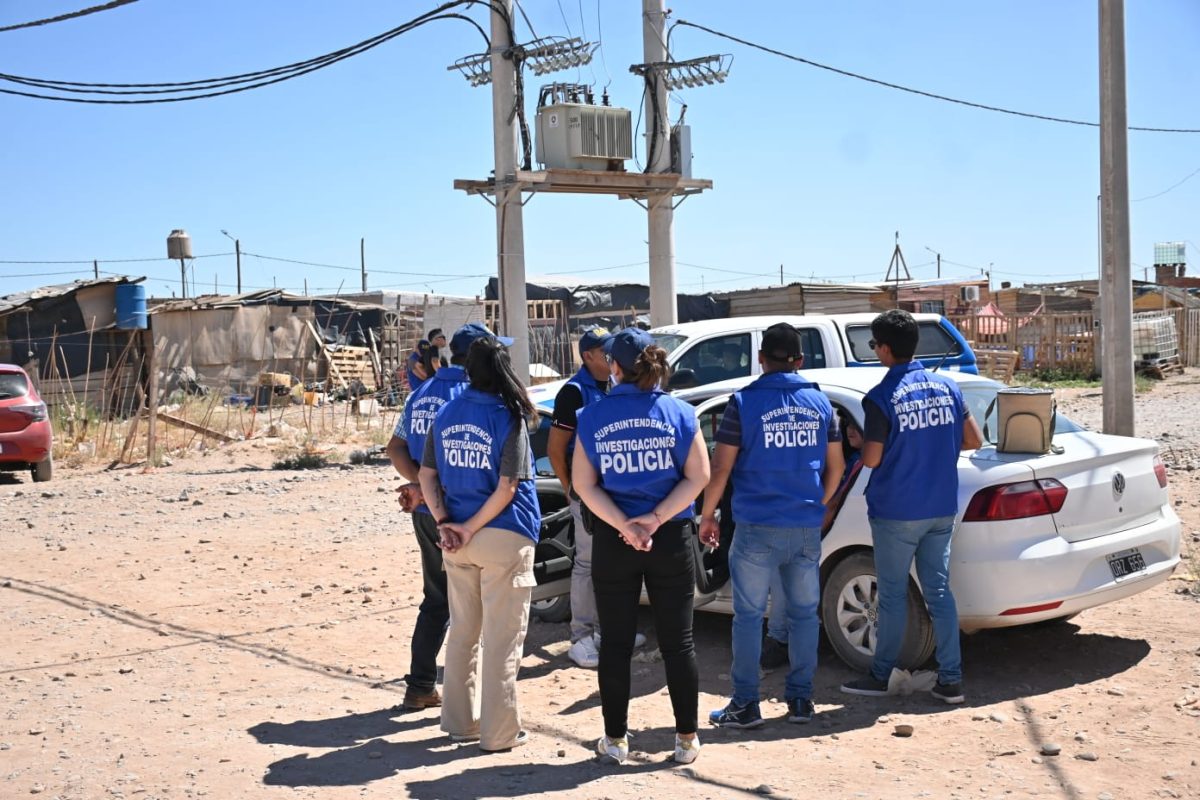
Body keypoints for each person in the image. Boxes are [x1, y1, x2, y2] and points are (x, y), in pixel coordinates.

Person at [572, 327, 711, 766]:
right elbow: (699, 476)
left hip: (615, 541)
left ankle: (615, 741)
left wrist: (626, 526)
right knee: (679, 643)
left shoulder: (593, 415)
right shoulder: (679, 412)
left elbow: (582, 484)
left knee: (613, 643)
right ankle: (686, 740)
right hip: (669, 537)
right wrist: (654, 519)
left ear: (614, 367)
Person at [701, 323, 844, 728]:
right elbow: (836, 467)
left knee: (747, 617)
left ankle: (746, 704)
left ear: (761, 358)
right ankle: (800, 701)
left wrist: (708, 514)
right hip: (804, 526)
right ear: (800, 360)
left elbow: (722, 466)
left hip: (755, 526)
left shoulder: (743, 403)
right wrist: (820, 503)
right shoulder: (820, 404)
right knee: (803, 616)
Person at [839, 309, 983, 704]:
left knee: (891, 595)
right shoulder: (949, 389)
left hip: (897, 511)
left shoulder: (881, 397)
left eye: (873, 345)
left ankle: (881, 674)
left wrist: (856, 440)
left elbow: (870, 459)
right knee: (938, 591)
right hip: (941, 506)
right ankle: (950, 679)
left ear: (884, 349)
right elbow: (974, 440)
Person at [418, 331, 542, 752]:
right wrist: (468, 527)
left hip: (457, 539)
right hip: (502, 534)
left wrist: (446, 523)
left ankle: (458, 722)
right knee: (503, 640)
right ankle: (499, 733)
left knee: (463, 633)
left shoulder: (448, 411)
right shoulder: (510, 416)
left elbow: (426, 475)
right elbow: (508, 486)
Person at [384, 324, 480, 710]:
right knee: (472, 604)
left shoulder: (421, 393)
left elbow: (396, 448)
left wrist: (421, 487)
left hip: (425, 513)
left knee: (436, 600)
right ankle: (467, 699)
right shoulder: (468, 396)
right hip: (459, 515)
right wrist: (433, 491)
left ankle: (421, 683)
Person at [547, 326, 612, 669]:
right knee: (587, 564)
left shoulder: (614, 385)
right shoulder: (573, 393)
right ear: (588, 356)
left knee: (612, 562)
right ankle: (581, 637)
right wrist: (570, 486)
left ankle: (608, 630)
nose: (612, 358)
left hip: (614, 492)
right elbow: (555, 448)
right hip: (588, 493)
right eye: (606, 352)